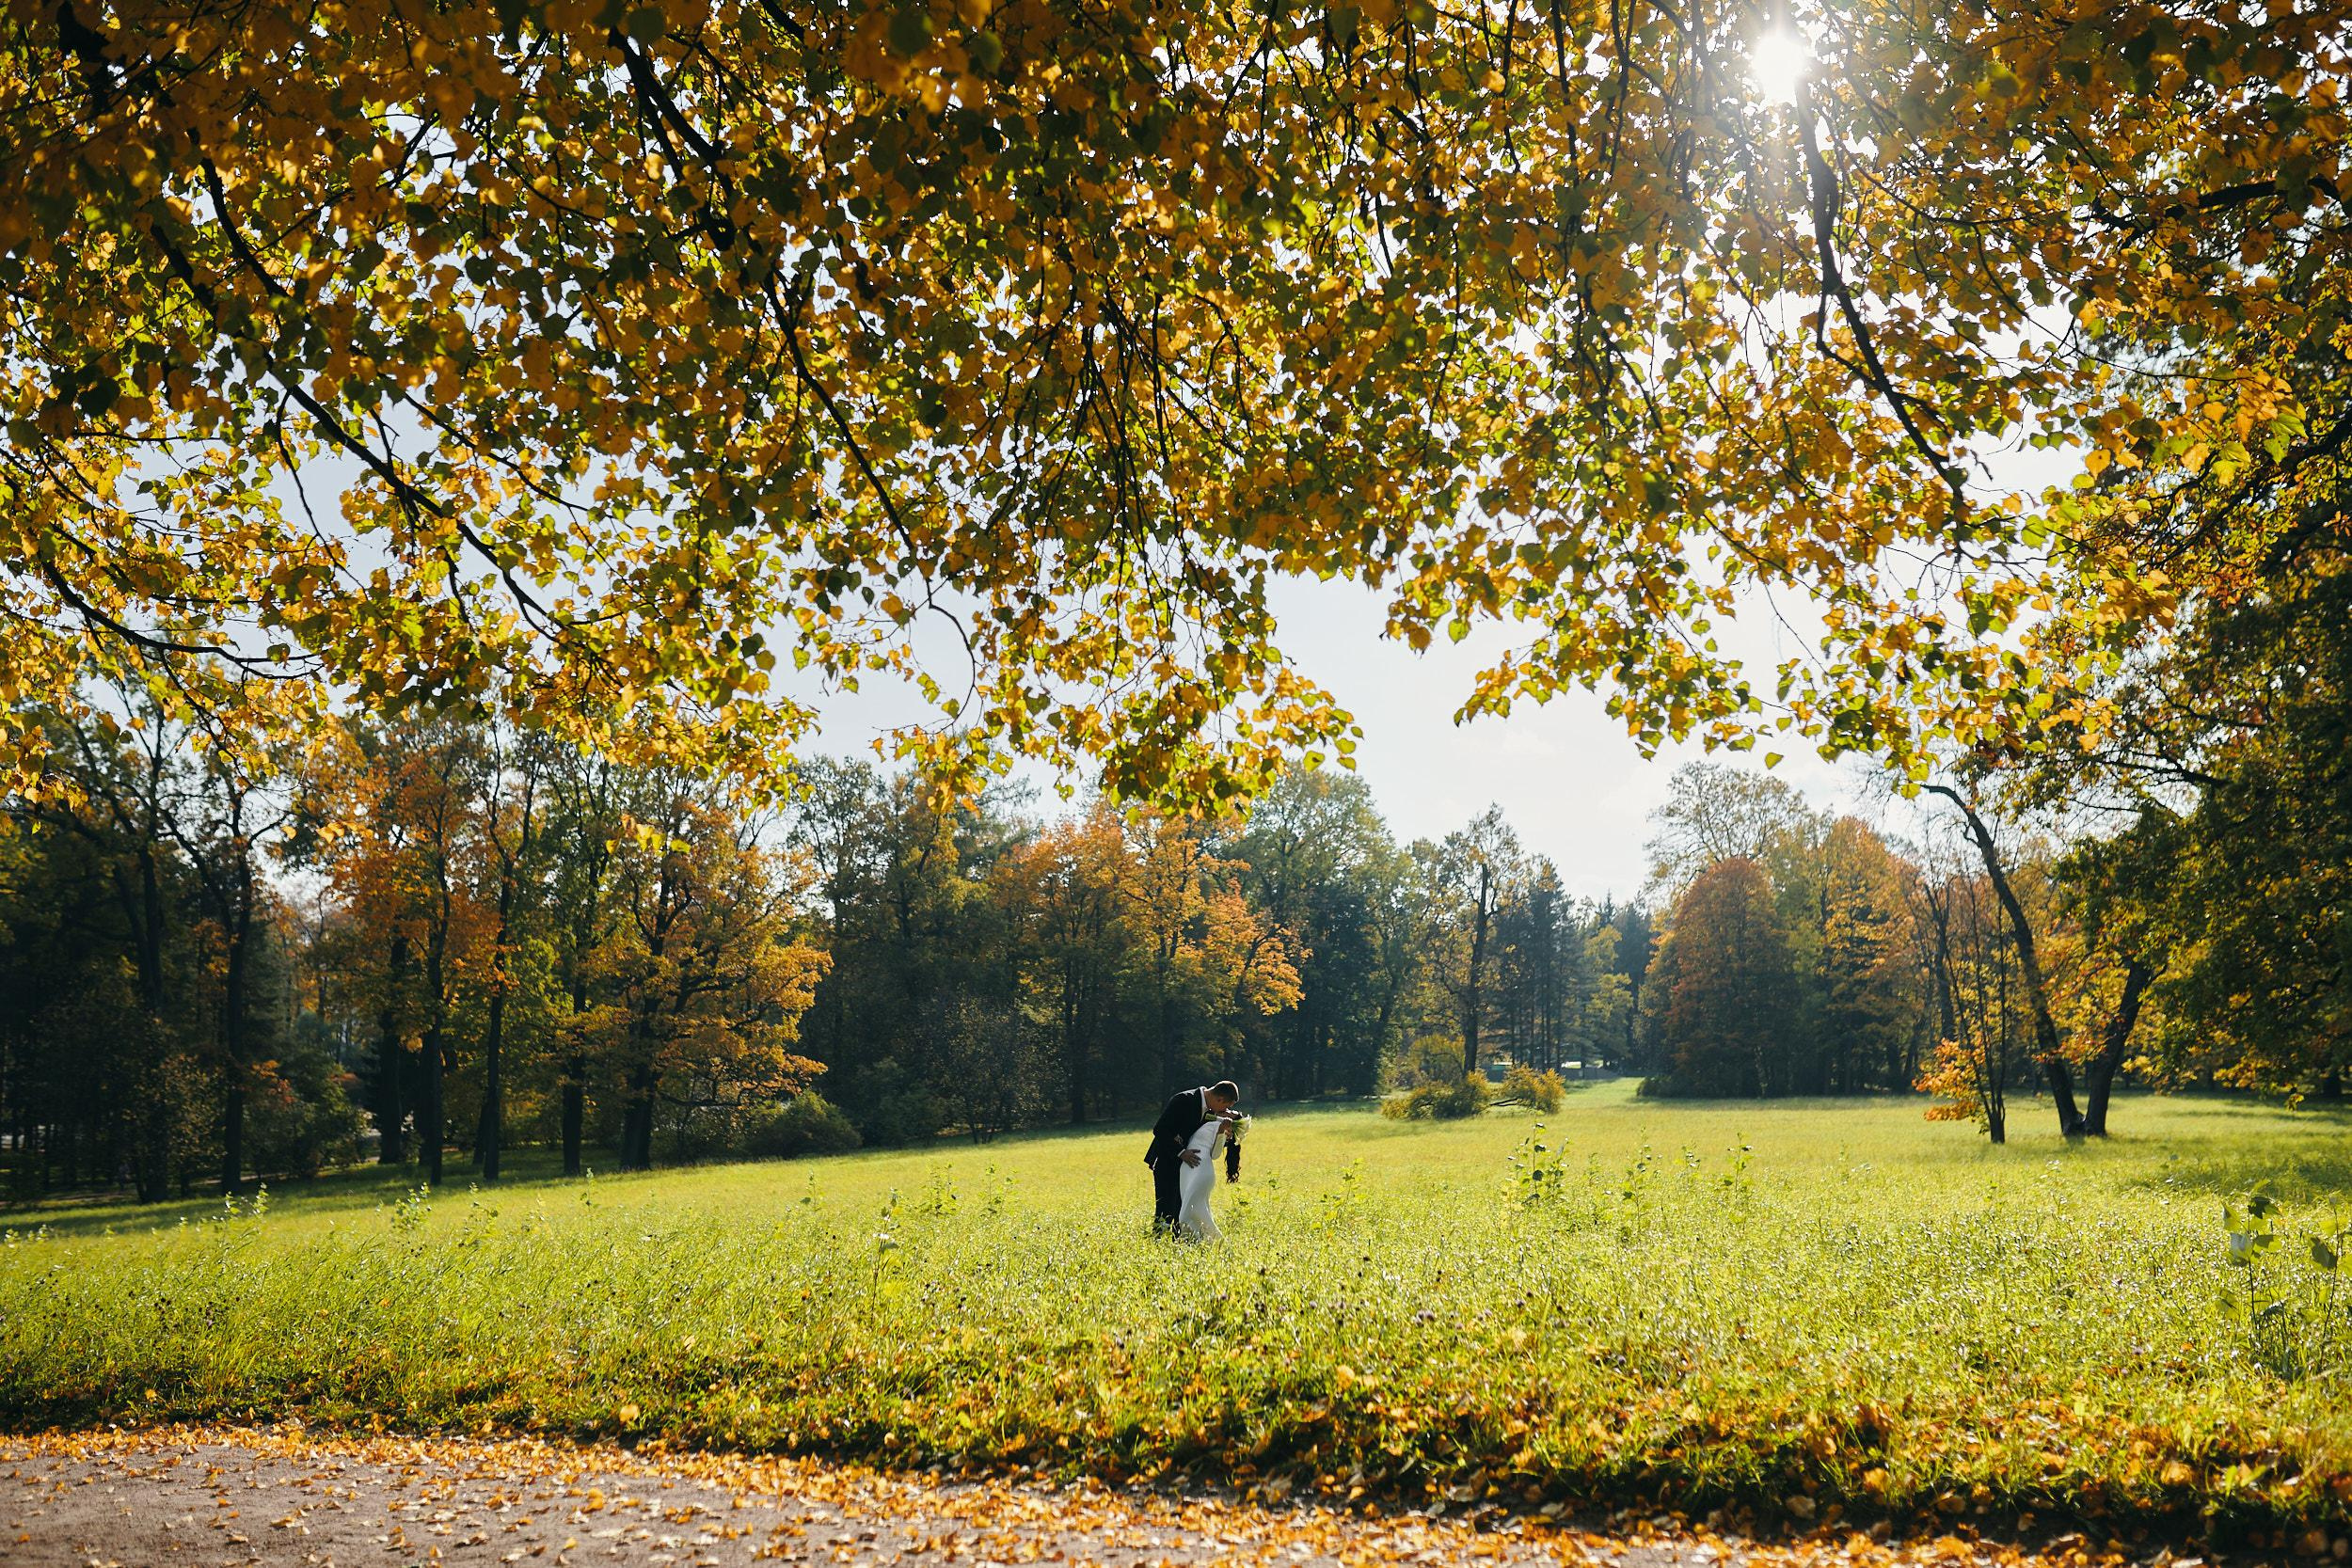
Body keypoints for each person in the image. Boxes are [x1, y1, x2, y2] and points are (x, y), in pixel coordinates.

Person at [1145, 1080, 1240, 1236]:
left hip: (1189, 1168)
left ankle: (1180, 1242)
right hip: (1167, 1160)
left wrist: (1224, 1136)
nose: (1226, 1111)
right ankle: (1158, 1240)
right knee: (1165, 1206)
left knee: (1182, 1207)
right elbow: (1160, 1129)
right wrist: (1181, 1152)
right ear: (1219, 1099)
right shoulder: (1183, 1100)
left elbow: (1205, 1138)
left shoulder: (1211, 1110)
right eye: (1226, 1107)